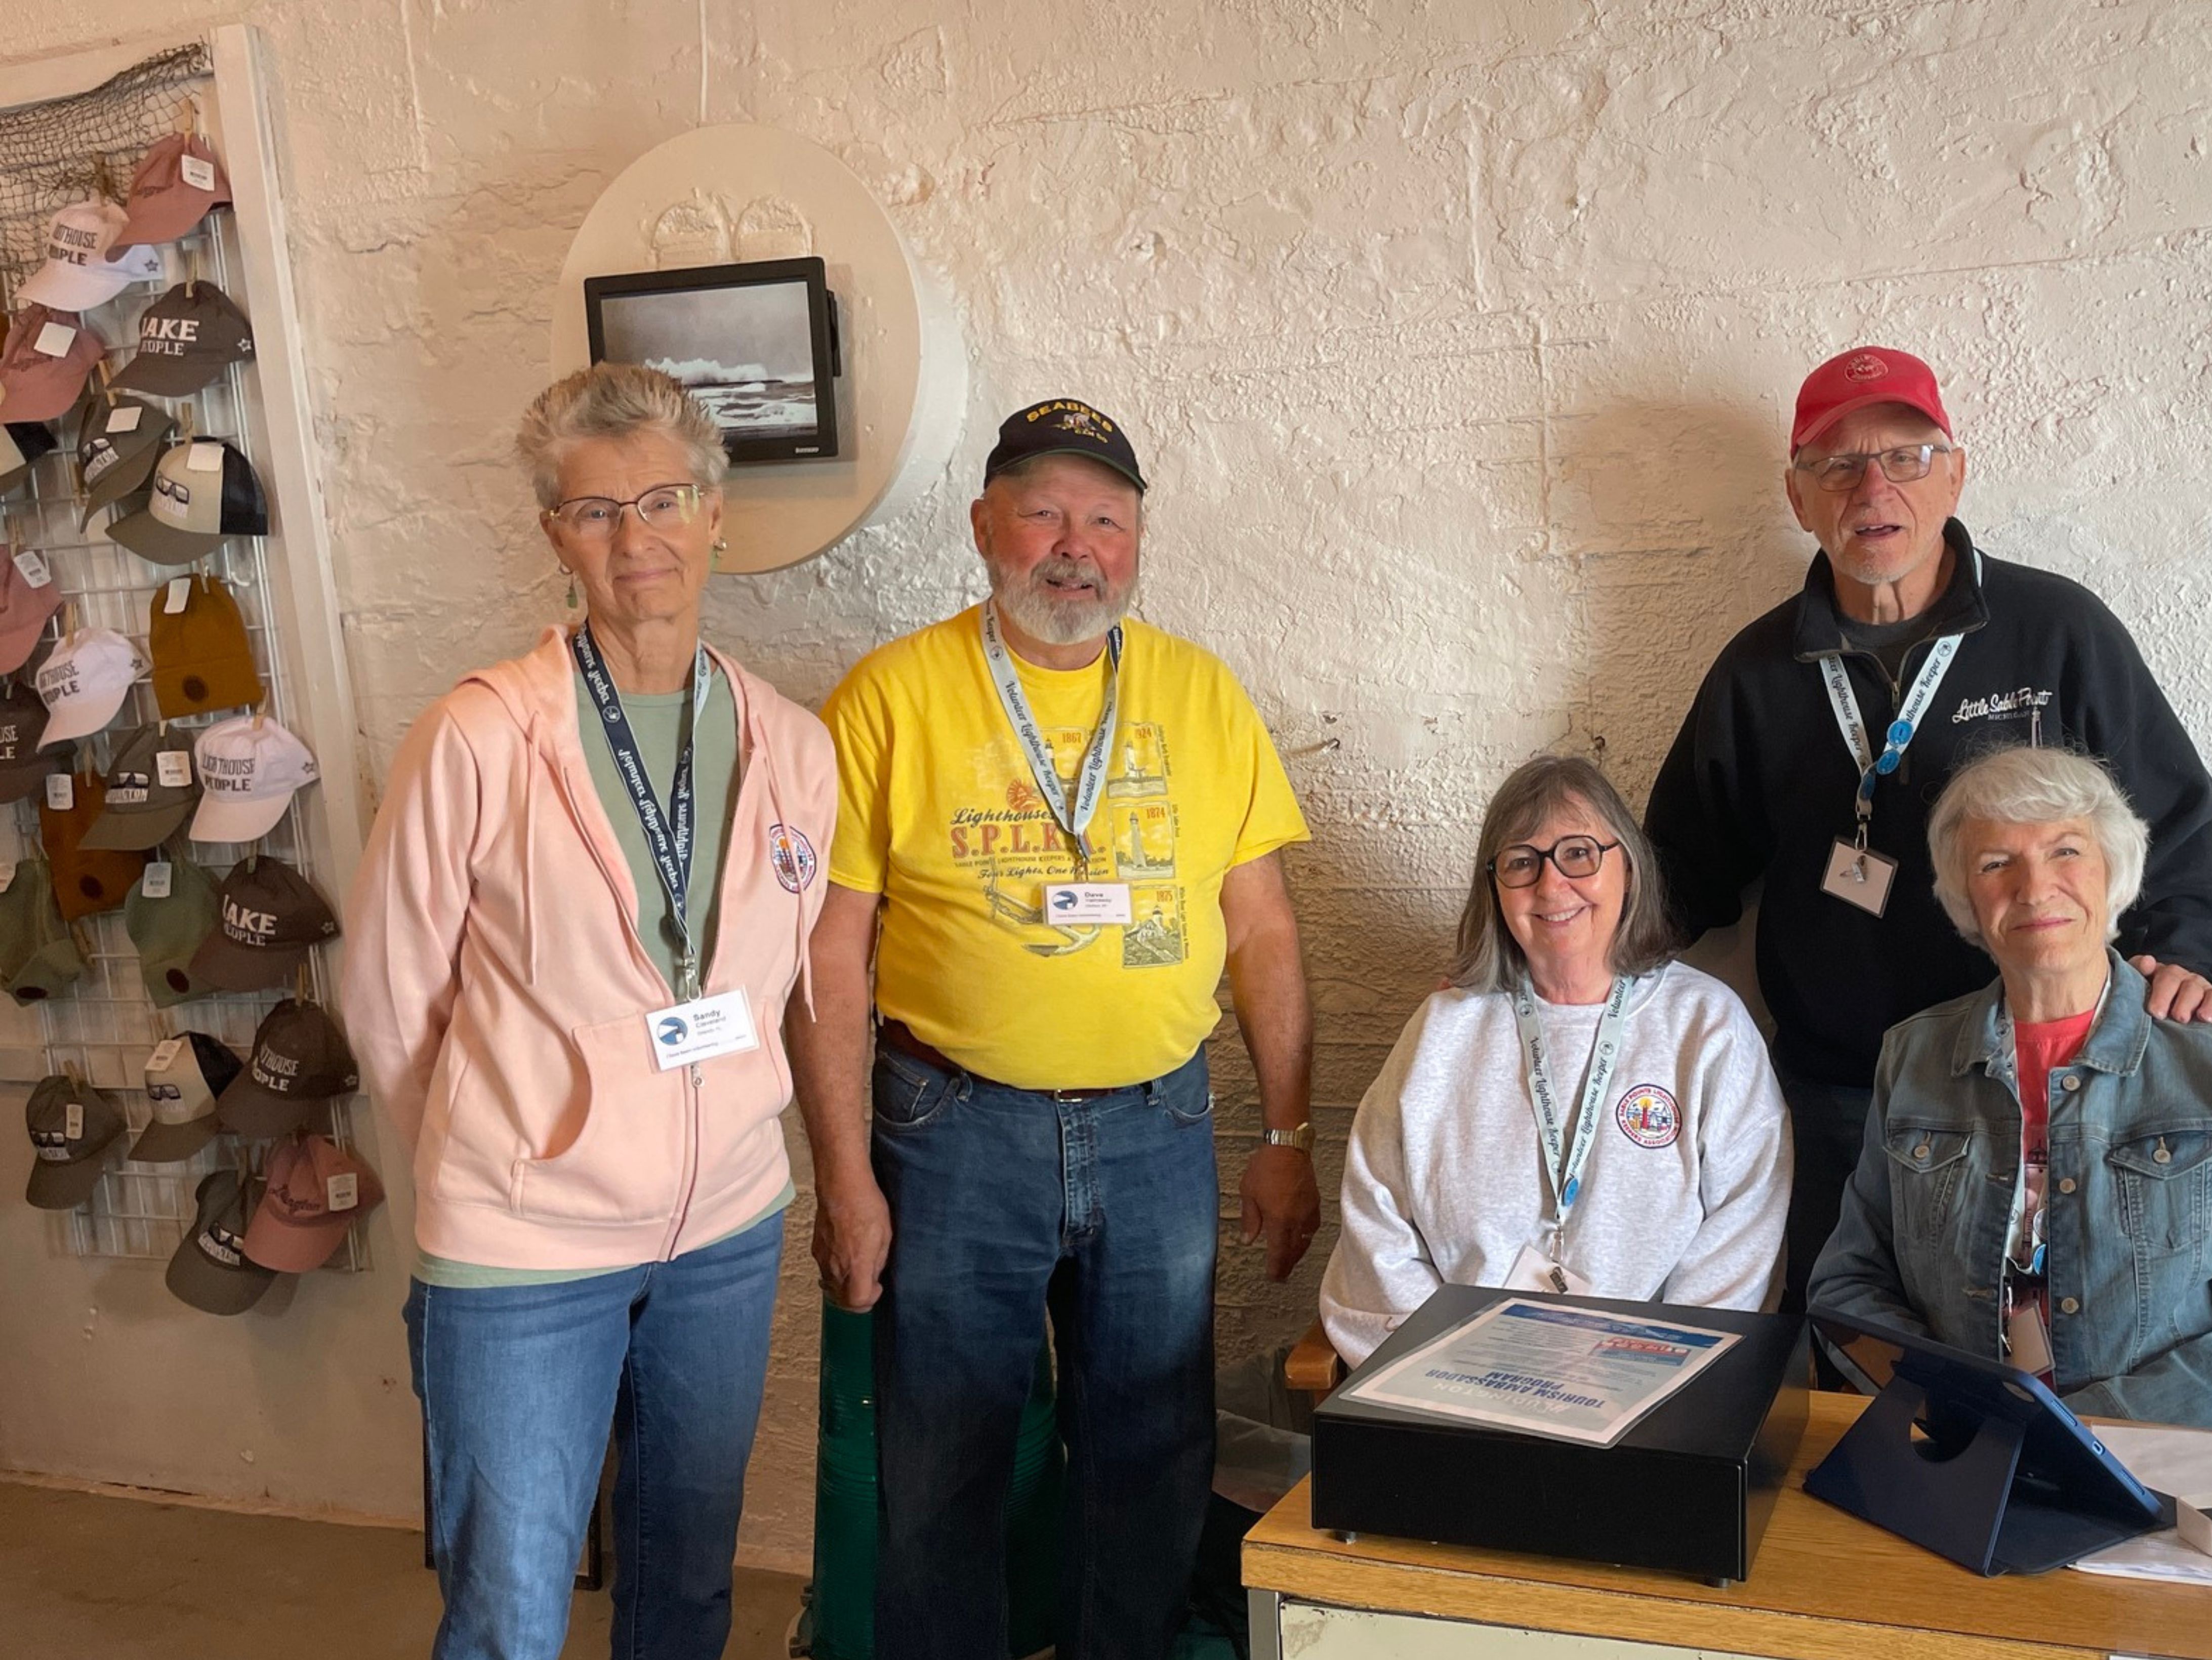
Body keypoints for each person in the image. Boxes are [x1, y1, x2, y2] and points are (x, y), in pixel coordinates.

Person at [796, 398, 1322, 1660]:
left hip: (1159, 1128)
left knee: (1150, 1457)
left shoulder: (1203, 694)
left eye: (1106, 516)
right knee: (944, 1464)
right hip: (953, 1132)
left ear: (1138, 540)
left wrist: (1288, 1131)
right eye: (1042, 510)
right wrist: (843, 1174)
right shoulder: (890, 697)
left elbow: (1262, 931)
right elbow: (828, 946)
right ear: (985, 524)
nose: (1074, 543)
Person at [341, 363, 840, 1659]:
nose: (639, 538)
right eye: (596, 511)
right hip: (525, 1247)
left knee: (688, 1587)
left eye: (665, 498)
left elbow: (784, 981)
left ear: (718, 511)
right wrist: (494, 1148)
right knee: (510, 1605)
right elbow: (392, 995)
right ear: (555, 534)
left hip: (724, 1226)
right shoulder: (481, 735)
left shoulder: (791, 741)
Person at [1643, 345, 2212, 1328]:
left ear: (1956, 473)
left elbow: (2175, 812)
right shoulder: (1755, 670)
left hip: (2045, 1088)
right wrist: (1550, 960)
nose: (1872, 487)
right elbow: (1677, 867)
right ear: (1797, 497)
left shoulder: (2058, 629)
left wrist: (2197, 949)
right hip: (1844, 1097)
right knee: (1854, 1357)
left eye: (1906, 456)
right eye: (1837, 465)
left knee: (2064, 1351)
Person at [1810, 747, 2212, 1434]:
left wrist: (2081, 1432)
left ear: (2114, 873)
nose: (2035, 887)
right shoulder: (1912, 1057)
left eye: (2066, 851)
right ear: (1965, 897)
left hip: (2189, 1470)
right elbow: (1850, 1284)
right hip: (1975, 1464)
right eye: (1995, 863)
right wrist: (1959, 1411)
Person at [1321, 756, 1790, 1365]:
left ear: (1628, 864)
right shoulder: (1442, 1031)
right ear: (1493, 888)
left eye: (1578, 853)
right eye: (1521, 862)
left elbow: (1742, 1236)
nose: (1550, 886)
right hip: (1455, 1391)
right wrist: (1456, 1373)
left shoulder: (1708, 1029)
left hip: (1651, 1398)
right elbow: (1376, 1224)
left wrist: (1642, 1374)